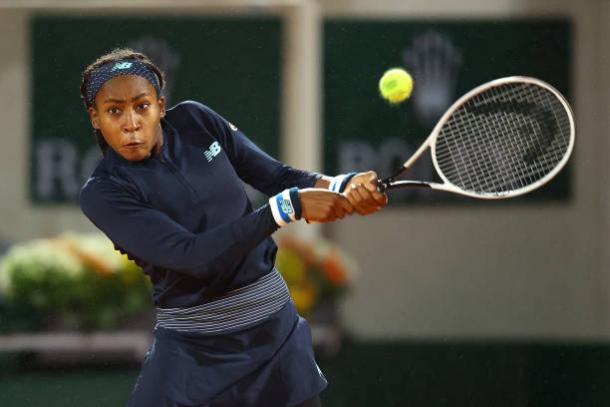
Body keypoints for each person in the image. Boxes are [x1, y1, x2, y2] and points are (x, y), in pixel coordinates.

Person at [79, 48, 387, 407]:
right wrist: (287, 208)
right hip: (193, 353)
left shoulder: (196, 120)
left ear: (161, 107)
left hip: (275, 337)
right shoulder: (103, 193)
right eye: (114, 111)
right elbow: (191, 256)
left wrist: (340, 186)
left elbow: (277, 176)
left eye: (142, 106)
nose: (130, 122)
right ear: (95, 118)